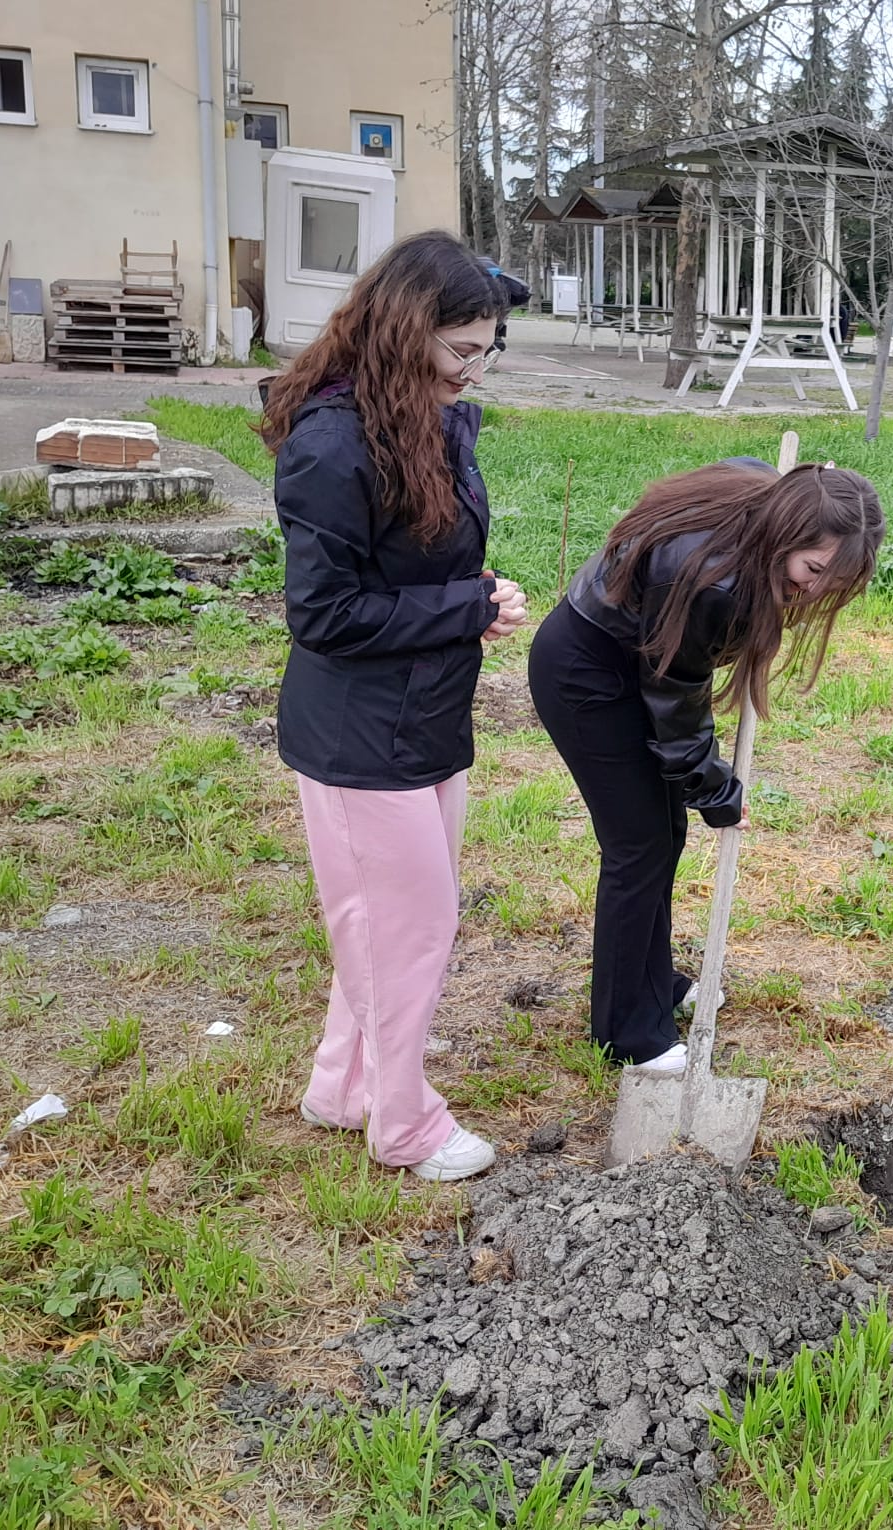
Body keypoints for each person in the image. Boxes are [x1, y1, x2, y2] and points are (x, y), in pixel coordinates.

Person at [258, 231, 527, 1182]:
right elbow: (324, 614)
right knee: (407, 932)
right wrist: (463, 608)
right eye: (462, 350)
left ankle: (342, 1088)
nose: (474, 371)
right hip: (358, 736)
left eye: (487, 351)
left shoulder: (425, 419)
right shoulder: (331, 445)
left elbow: (410, 566)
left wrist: (473, 598)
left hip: (425, 718)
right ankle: (405, 1126)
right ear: (406, 330)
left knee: (392, 922)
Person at [529, 460, 884, 1071]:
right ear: (787, 530)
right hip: (588, 676)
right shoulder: (713, 583)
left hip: (636, 664)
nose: (816, 590)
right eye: (813, 570)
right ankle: (628, 1034)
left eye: (835, 579)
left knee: (662, 835)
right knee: (637, 848)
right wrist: (714, 789)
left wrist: (703, 786)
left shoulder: (765, 501)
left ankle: (652, 985)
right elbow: (677, 702)